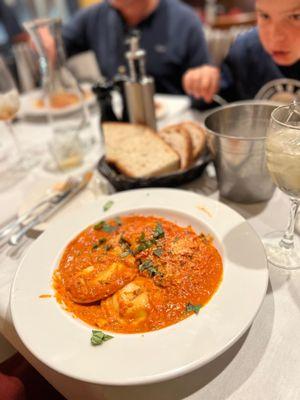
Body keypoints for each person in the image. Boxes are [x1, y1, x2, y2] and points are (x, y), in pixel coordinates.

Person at [60, 0, 219, 103]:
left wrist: (205, 79)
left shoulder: (184, 20)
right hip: (119, 119)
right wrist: (47, 41)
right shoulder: (94, 16)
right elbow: (58, 44)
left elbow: (206, 88)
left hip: (172, 120)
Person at [195, 0, 300, 102]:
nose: (275, 37)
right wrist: (203, 83)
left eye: (295, 17)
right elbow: (210, 102)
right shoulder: (243, 52)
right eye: (265, 16)